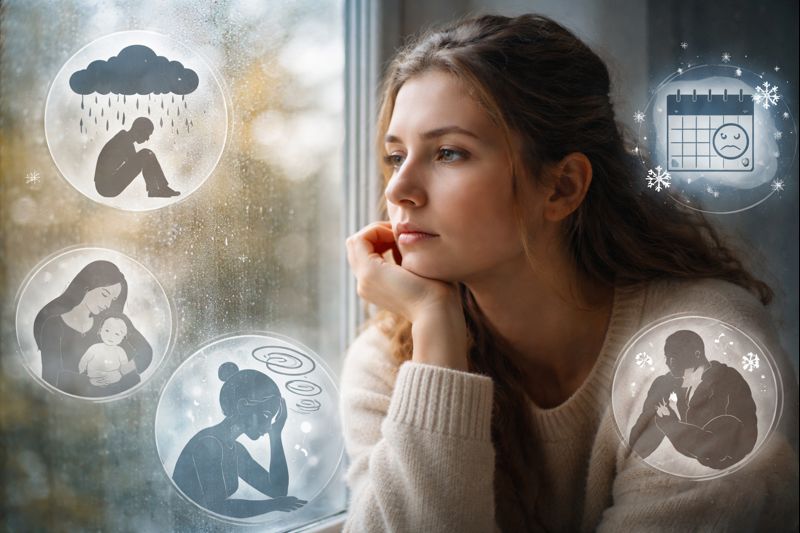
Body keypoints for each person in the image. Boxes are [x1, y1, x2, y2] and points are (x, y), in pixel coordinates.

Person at [341, 14, 798, 532]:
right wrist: (435, 331)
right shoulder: (392, 360)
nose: (398, 190)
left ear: (561, 187)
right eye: (396, 155)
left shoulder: (708, 345)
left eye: (449, 152)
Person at [172, 362, 307, 518]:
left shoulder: (235, 450)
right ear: (243, 406)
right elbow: (216, 508)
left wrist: (275, 435)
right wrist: (273, 505)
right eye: (266, 416)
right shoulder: (209, 444)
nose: (268, 426)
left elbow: (278, 490)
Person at [33, 260, 152, 397]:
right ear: (87, 286)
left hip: (116, 404)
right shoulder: (53, 325)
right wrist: (91, 382)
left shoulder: (112, 323)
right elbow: (51, 378)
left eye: (112, 299)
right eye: (105, 294)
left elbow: (146, 353)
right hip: (70, 408)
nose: (108, 304)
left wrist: (120, 372)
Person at [94, 116, 180, 198]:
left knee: (147, 155)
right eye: (147, 134)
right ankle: (159, 188)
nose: (147, 139)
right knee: (146, 154)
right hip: (106, 187)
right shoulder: (124, 140)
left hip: (106, 186)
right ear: (139, 131)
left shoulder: (125, 139)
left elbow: (138, 164)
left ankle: (157, 189)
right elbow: (139, 162)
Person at [78, 316, 135, 388]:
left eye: (117, 334)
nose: (110, 336)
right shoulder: (94, 348)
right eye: (107, 330)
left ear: (123, 337)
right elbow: (83, 361)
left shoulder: (120, 351)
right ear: (100, 331)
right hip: (93, 380)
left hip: (114, 382)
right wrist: (82, 374)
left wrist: (120, 375)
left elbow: (124, 366)